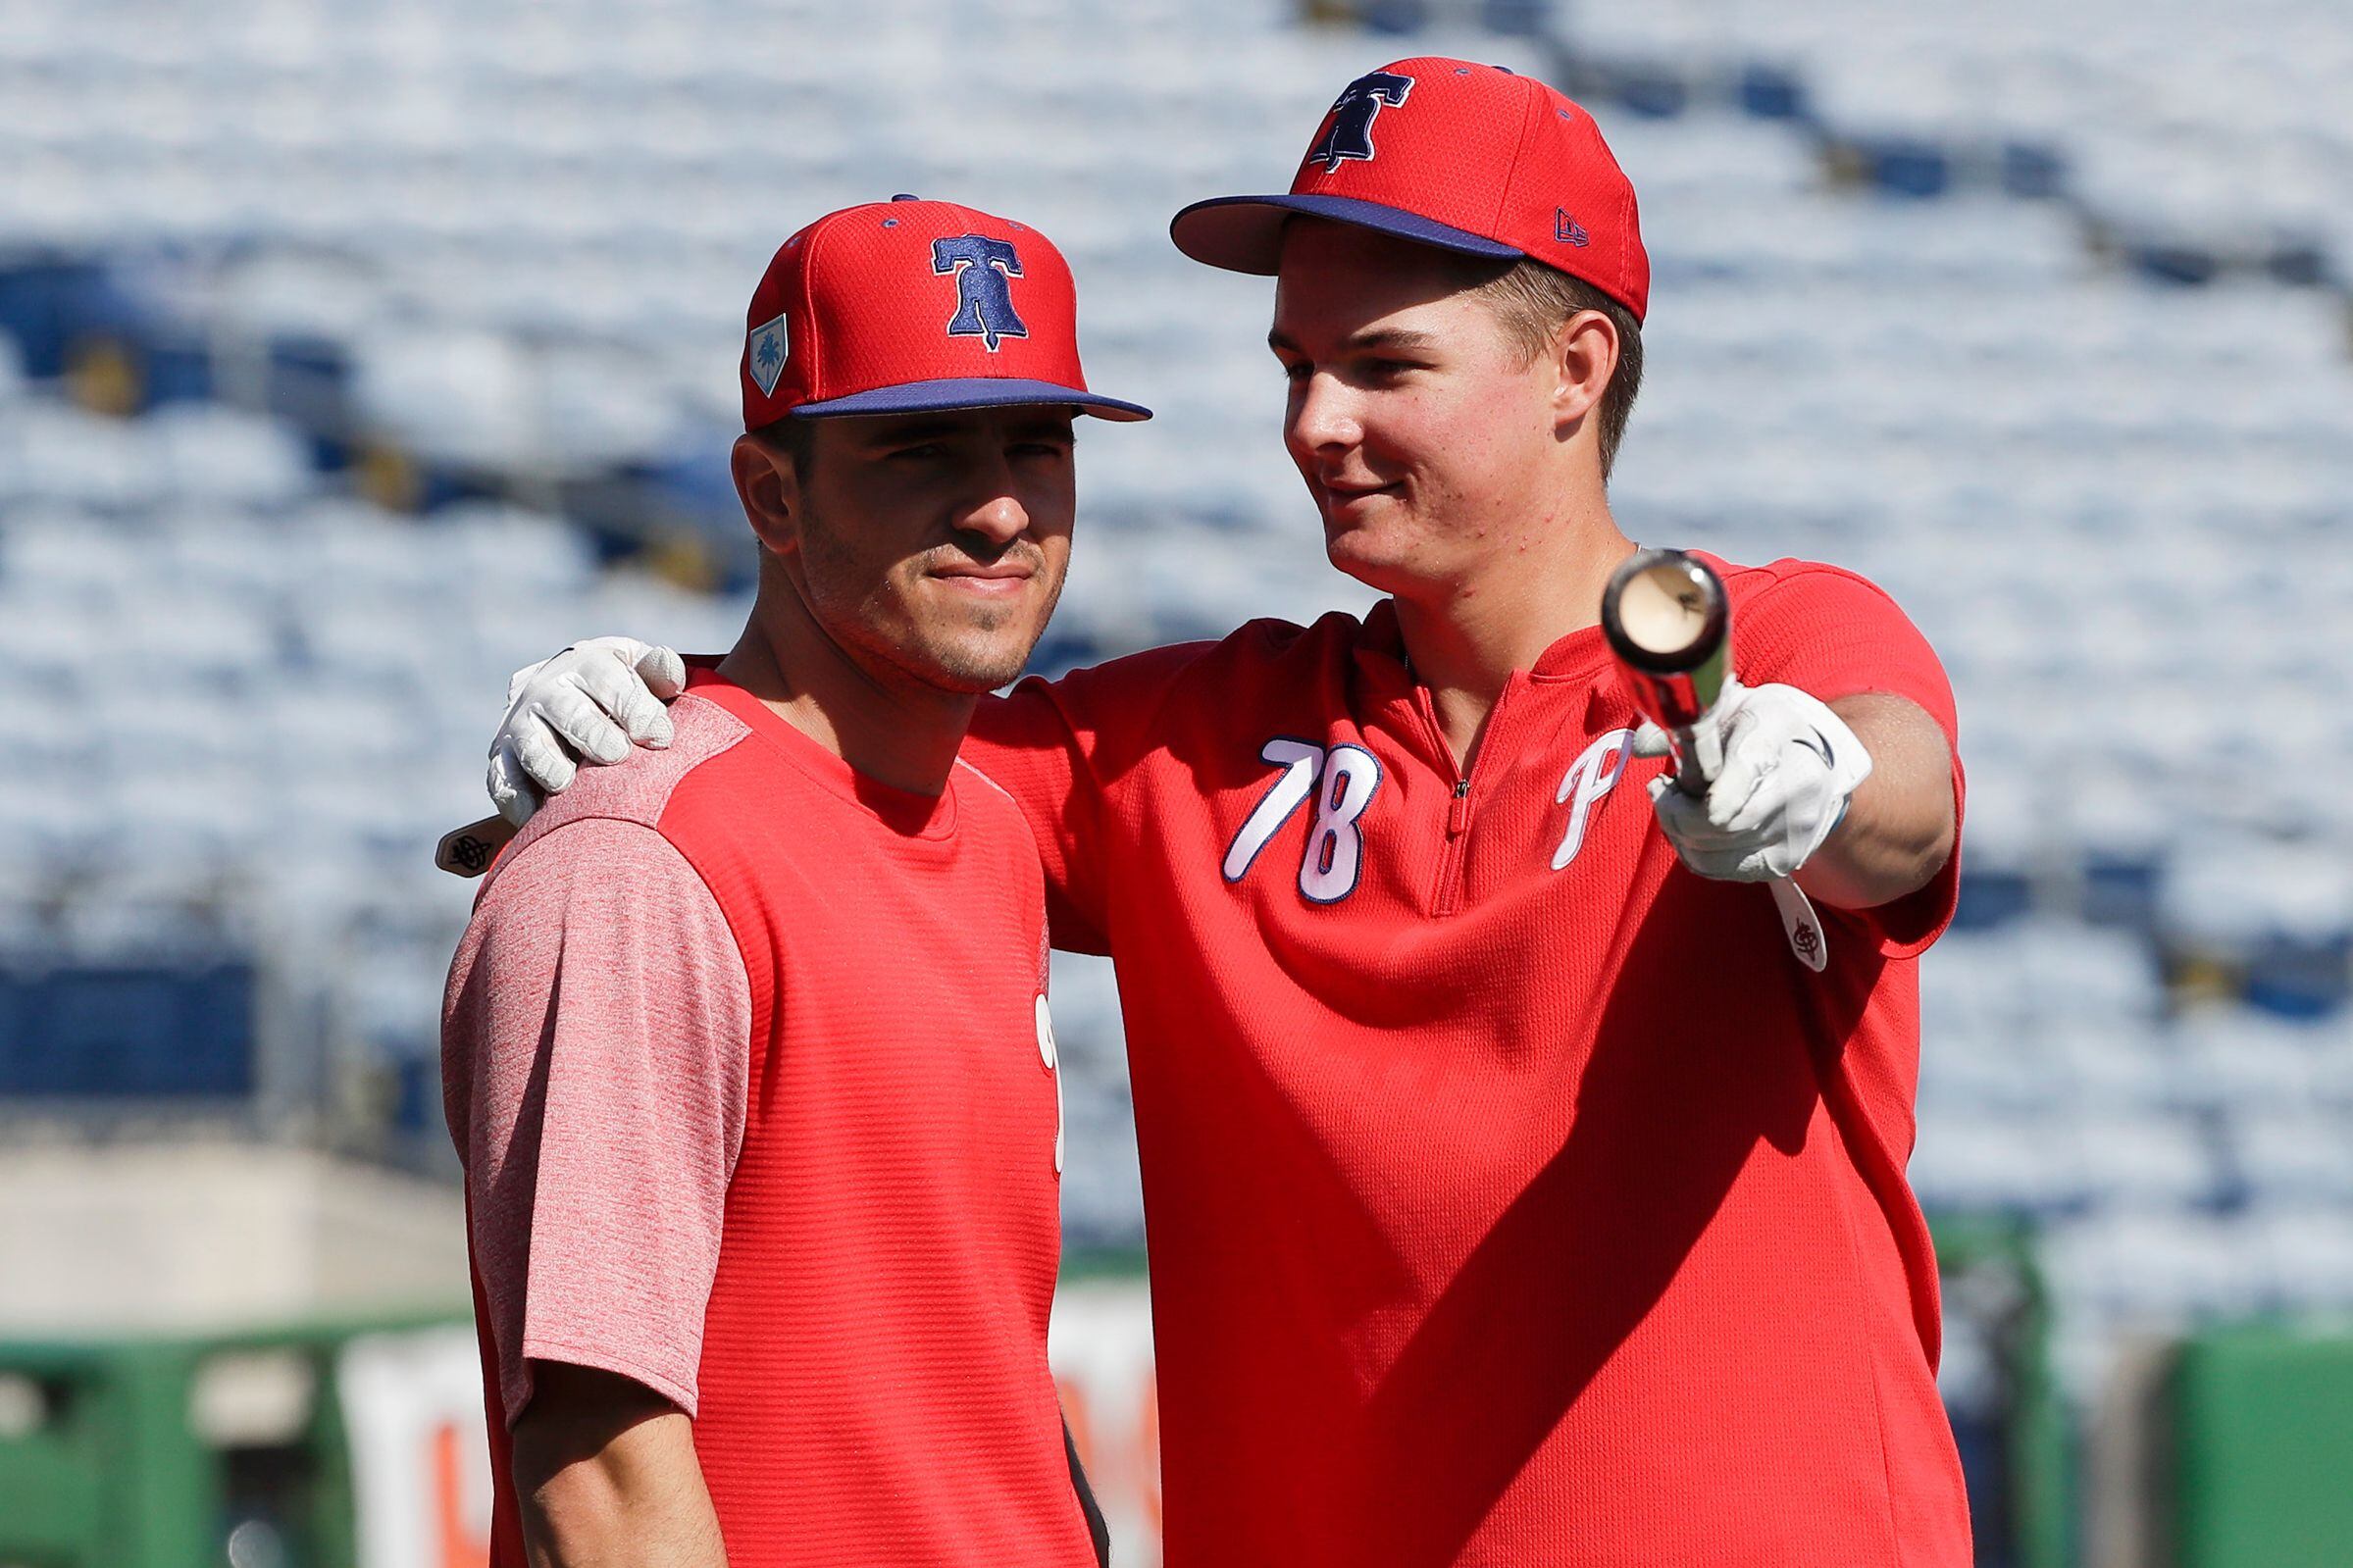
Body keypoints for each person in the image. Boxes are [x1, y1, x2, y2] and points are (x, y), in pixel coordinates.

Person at [467, 60, 1969, 1566]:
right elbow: (804, 779)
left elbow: (1902, 804)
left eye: (1384, 367)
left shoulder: (1764, 650)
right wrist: (648, 723)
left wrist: (1821, 782)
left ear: (1576, 370)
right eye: (1291, 365)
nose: (1316, 421)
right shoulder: (1182, 744)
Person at [441, 195, 1141, 1567]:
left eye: (1035, 446)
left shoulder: (993, 825)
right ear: (770, 494)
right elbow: (601, 1473)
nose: (1000, 506)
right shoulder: (636, 864)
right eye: (921, 448)